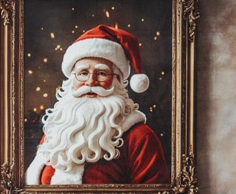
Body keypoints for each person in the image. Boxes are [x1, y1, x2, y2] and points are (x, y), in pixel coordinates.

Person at [25, 24, 169, 185]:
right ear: (72, 80)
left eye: (101, 73)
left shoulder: (140, 137)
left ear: (117, 81)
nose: (91, 81)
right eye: (83, 73)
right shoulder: (57, 130)